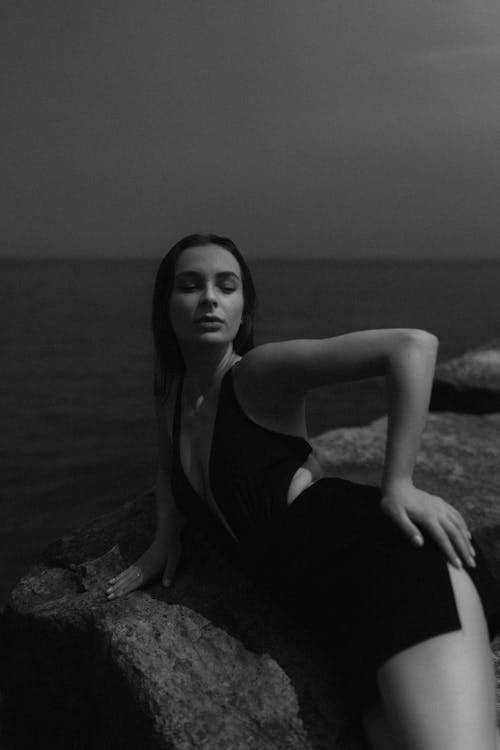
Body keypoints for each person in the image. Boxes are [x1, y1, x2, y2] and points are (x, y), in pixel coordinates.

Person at [105, 233, 500, 750]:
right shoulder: (174, 396)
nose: (209, 298)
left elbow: (411, 346)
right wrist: (164, 540)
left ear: (243, 309)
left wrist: (398, 482)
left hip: (390, 569)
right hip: (335, 617)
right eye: (190, 286)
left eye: (227, 286)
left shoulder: (256, 374)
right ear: (166, 304)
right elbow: (165, 473)